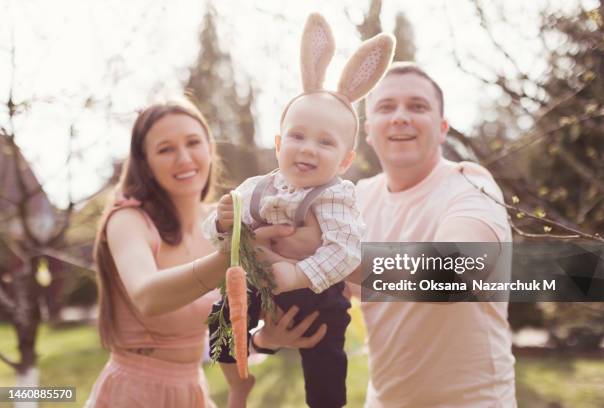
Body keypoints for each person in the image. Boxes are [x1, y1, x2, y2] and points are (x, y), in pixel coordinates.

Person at [201, 13, 394, 408]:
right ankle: (237, 378)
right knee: (222, 321)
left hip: (318, 295)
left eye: (325, 143)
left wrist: (296, 273)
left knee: (326, 369)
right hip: (257, 285)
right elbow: (220, 237)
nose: (308, 148)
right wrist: (220, 222)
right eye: (298, 136)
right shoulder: (254, 188)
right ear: (278, 143)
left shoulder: (336, 198)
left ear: (344, 160)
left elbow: (345, 251)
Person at [84, 100, 324, 408]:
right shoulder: (128, 221)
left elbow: (222, 332)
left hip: (191, 392)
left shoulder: (219, 223)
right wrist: (234, 253)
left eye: (193, 142)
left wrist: (266, 340)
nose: (184, 158)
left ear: (210, 148)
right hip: (133, 393)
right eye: (165, 149)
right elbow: (147, 297)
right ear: (145, 162)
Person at [353, 62, 517, 407]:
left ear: (442, 128)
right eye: (386, 107)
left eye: (417, 106)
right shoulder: (358, 199)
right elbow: (330, 289)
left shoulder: (470, 184)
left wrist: (333, 263)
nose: (400, 117)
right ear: (369, 131)